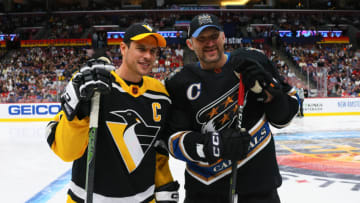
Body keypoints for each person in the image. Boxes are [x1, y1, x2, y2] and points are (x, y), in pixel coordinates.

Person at [165, 13, 299, 203]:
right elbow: (173, 141)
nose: (209, 43)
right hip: (204, 192)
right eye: (201, 39)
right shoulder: (178, 82)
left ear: (223, 37)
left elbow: (284, 118)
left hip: (260, 190)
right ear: (190, 44)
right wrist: (212, 145)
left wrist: (272, 96)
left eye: (213, 36)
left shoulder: (253, 61)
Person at [46, 23, 179, 203]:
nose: (148, 56)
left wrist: (164, 187)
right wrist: (78, 114)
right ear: (123, 48)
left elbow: (157, 148)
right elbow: (66, 152)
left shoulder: (160, 94)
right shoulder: (93, 84)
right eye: (141, 49)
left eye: (153, 51)